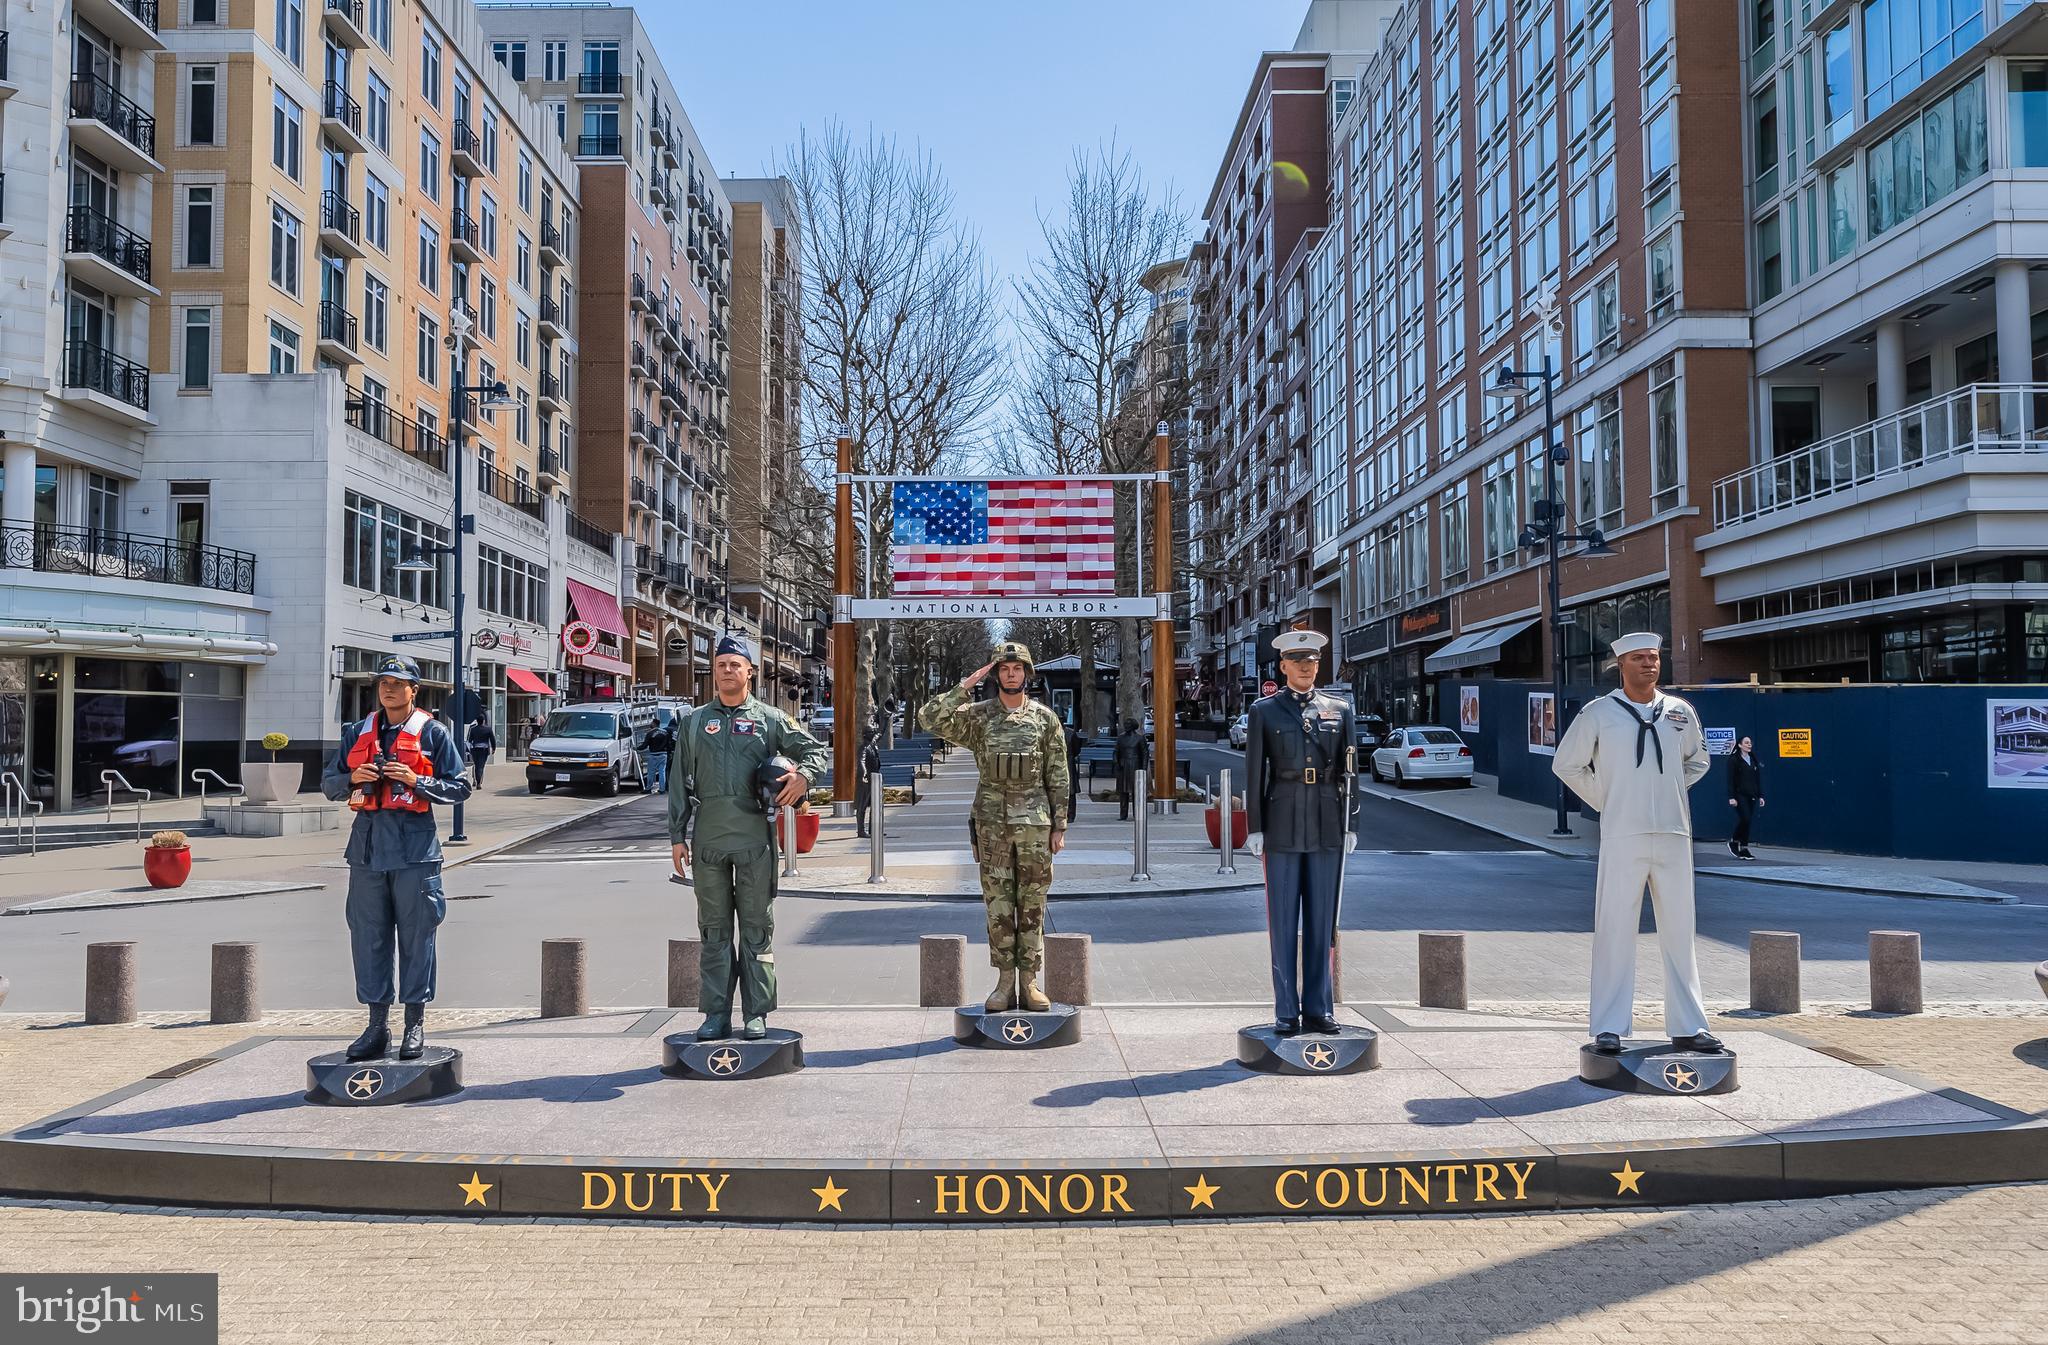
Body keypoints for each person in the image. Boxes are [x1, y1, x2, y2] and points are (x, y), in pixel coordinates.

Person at [1552, 631, 1721, 1056]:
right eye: (1640, 658)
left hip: (1673, 832)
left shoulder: (1679, 711)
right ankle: (1608, 1026)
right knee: (1614, 927)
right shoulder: (1599, 713)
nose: (1650, 664)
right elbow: (1567, 764)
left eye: (1654, 657)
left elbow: (1698, 760)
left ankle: (1689, 1025)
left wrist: (1668, 790)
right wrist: (1607, 798)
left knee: (1680, 930)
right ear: (1621, 664)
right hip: (1622, 833)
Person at [668, 635, 828, 1041]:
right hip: (708, 838)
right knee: (714, 930)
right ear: (714, 671)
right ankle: (716, 1014)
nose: (727, 670)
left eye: (735, 665)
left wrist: (803, 777)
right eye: (721, 664)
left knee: (757, 928)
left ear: (750, 672)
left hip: (755, 837)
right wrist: (676, 834)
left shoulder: (770, 720)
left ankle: (757, 1012)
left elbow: (816, 751)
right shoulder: (694, 723)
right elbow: (678, 780)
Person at [320, 655, 473, 1062]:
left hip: (415, 853)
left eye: (397, 683)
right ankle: (376, 1026)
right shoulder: (357, 732)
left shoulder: (434, 733)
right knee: (368, 938)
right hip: (367, 852)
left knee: (417, 937)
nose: (388, 689)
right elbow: (329, 783)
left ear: (413, 690)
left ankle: (414, 1023)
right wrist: (352, 778)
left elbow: (460, 786)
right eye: (383, 683)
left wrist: (417, 780)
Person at [919, 641, 1069, 1012]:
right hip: (992, 825)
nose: (1011, 674)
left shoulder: (1045, 719)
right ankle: (1004, 982)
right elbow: (929, 719)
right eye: (1004, 669)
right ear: (996, 675)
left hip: (1034, 825)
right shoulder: (979, 717)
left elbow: (1058, 774)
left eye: (1017, 669)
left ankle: (1029, 981)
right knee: (998, 905)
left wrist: (1059, 825)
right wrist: (964, 687)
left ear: (1027, 674)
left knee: (1032, 904)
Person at [1243, 630, 1358, 1036]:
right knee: (1283, 921)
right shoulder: (1264, 710)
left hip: (1327, 820)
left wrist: (1352, 823)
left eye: (1311, 661)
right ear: (1283, 666)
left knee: (1322, 920)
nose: (1306, 668)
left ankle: (1319, 1008)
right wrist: (1255, 827)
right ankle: (1287, 1011)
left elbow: (1350, 772)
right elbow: (1255, 772)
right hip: (1282, 819)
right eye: (1298, 661)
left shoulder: (1339, 710)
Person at [1727, 736, 1764, 860]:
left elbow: (1757, 779)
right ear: (1740, 745)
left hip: (1752, 794)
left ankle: (1744, 848)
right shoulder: (1734, 760)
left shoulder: (1752, 759)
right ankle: (1734, 840)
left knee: (1747, 822)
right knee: (1745, 818)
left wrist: (1760, 795)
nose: (1749, 745)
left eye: (1750, 743)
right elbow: (1730, 780)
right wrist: (1731, 797)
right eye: (1746, 743)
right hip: (1739, 795)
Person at [854, 723, 882, 838]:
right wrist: (864, 772)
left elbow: (880, 733)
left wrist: (885, 719)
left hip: (875, 779)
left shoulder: (873, 744)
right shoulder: (864, 748)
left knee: (875, 805)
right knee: (862, 806)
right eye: (871, 732)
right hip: (865, 780)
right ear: (865, 735)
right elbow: (861, 760)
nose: (873, 734)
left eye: (873, 732)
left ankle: (873, 829)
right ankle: (861, 831)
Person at [1114, 719, 1145, 820]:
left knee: (1136, 792)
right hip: (1123, 767)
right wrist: (1116, 762)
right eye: (1125, 724)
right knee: (1123, 792)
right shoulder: (1121, 738)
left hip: (1135, 766)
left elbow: (1144, 754)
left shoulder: (1139, 738)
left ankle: (1137, 814)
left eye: (1128, 724)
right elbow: (1116, 751)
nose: (1126, 726)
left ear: (1133, 726)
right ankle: (1123, 814)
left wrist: (1143, 769)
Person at [644, 715, 674, 794]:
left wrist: (636, 748)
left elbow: (644, 745)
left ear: (654, 723)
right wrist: (669, 752)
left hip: (654, 754)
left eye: (651, 723)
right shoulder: (665, 732)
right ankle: (662, 789)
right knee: (662, 772)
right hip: (663, 754)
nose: (650, 724)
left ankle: (648, 788)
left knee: (651, 772)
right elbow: (669, 744)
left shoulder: (650, 733)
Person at [1063, 719, 1085, 824]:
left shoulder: (1071, 733)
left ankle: (1071, 814)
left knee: (1071, 790)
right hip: (1054, 762)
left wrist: (1070, 756)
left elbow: (1077, 749)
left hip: (1068, 761)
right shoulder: (1051, 731)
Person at [468, 713, 496, 787]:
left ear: (477, 721)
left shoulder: (473, 729)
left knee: (476, 764)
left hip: (475, 749)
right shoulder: (488, 729)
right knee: (481, 765)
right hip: (484, 750)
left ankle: (476, 780)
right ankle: (478, 782)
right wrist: (494, 748)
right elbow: (492, 739)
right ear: (483, 721)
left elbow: (470, 740)